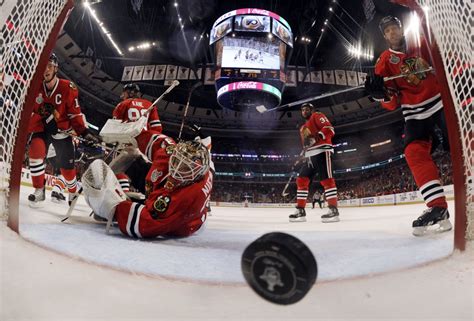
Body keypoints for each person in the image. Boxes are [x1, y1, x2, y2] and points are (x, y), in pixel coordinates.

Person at [365, 16, 452, 236]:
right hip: (415, 113)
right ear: (385, 36)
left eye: (395, 27)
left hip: (441, 101)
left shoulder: (422, 43)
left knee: (460, 141)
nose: (392, 32)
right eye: (388, 31)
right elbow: (392, 102)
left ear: (402, 29)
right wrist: (380, 95)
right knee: (413, 152)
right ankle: (438, 207)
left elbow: (445, 59)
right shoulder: (384, 61)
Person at [82, 128, 213, 238]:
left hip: (185, 223)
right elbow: (156, 140)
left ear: (198, 175)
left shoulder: (188, 198)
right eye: (176, 161)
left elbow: (146, 225)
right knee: (132, 157)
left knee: (101, 182)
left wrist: (115, 208)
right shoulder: (171, 152)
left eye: (185, 168)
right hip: (169, 194)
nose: (177, 169)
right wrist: (132, 135)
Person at [27, 53, 100, 207]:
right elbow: (31, 111)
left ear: (55, 68)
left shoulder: (68, 87)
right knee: (35, 152)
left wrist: (85, 132)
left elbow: (74, 113)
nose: (45, 70)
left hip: (61, 131)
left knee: (66, 169)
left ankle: (73, 190)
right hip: (42, 128)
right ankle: (39, 190)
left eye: (49, 66)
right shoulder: (35, 86)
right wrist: (45, 119)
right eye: (42, 66)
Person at [289, 103, 339, 223]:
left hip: (322, 151)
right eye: (302, 110)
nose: (304, 111)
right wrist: (302, 157)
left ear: (312, 110)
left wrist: (317, 137)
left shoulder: (317, 115)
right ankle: (300, 211)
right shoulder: (302, 128)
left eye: (307, 109)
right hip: (310, 156)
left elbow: (329, 129)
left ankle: (333, 210)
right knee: (301, 180)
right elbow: (307, 145)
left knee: (327, 180)